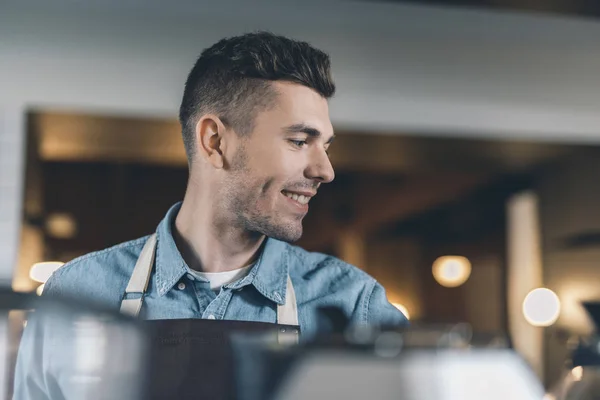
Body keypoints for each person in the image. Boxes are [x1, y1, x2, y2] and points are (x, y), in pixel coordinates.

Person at [14, 32, 407, 399]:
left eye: (326, 146)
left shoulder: (354, 305)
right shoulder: (77, 292)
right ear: (214, 141)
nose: (325, 170)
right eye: (300, 141)